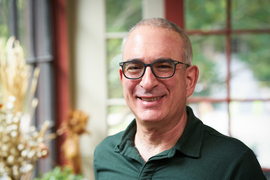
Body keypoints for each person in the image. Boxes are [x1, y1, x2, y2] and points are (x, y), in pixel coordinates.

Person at [94, 18, 266, 180]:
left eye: (163, 66)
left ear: (189, 80)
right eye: (134, 67)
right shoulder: (105, 155)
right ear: (122, 78)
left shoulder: (234, 162)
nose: (147, 83)